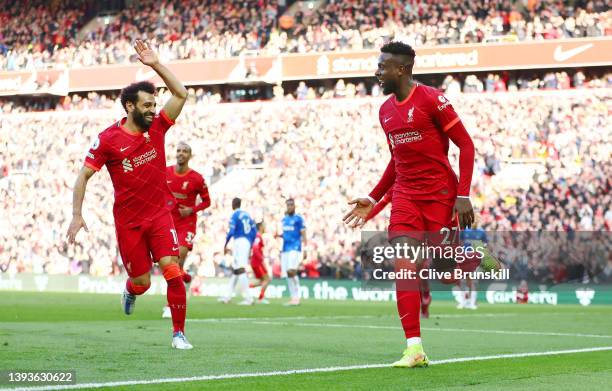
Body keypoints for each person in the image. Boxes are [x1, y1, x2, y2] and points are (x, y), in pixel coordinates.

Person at [343, 41, 500, 367]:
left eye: (383, 66)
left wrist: (462, 195)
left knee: (445, 273)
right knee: (404, 266)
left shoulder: (432, 100)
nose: (377, 71)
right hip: (405, 198)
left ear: (401, 69)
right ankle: (414, 348)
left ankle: (472, 257)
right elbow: (396, 161)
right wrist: (373, 198)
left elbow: (466, 146)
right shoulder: (385, 111)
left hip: (441, 197)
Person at [66, 40, 192, 349]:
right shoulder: (108, 140)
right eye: (147, 105)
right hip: (130, 223)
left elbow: (182, 94)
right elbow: (83, 176)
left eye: (154, 105)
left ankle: (178, 334)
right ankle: (130, 290)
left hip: (160, 215)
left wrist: (156, 65)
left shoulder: (158, 129)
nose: (153, 110)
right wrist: (77, 215)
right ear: (130, 106)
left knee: (173, 271)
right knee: (143, 282)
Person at [162, 141, 211, 318]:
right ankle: (187, 279)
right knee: (169, 263)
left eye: (185, 151)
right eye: (179, 150)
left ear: (190, 155)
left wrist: (192, 210)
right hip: (168, 221)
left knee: (178, 259)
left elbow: (207, 201)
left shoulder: (197, 178)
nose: (181, 153)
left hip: (186, 223)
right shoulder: (166, 172)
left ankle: (170, 305)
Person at [365, 189, 431, 318]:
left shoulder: (425, 183)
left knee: (420, 270)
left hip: (423, 232)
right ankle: (416, 304)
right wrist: (365, 217)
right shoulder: (396, 186)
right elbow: (381, 203)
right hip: (403, 232)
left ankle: (425, 296)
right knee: (408, 270)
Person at [220, 198, 257, 305]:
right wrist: (250, 243)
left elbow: (231, 231)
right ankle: (227, 296)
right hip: (247, 241)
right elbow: (254, 231)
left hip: (239, 241)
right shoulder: (247, 215)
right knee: (236, 269)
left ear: (233, 205)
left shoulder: (235, 215)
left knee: (240, 269)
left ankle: (249, 298)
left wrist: (226, 244)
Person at [279, 198, 306, 306]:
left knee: (291, 270)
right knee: (287, 273)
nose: (289, 207)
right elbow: (286, 234)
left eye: (291, 205)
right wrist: (279, 236)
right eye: (288, 205)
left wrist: (306, 249)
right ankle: (293, 298)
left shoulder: (298, 219)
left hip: (295, 248)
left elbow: (303, 234)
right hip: (285, 248)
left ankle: (297, 296)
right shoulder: (284, 219)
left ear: (294, 206)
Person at [250, 222, 271, 304]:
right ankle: (260, 298)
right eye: (264, 226)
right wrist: (261, 259)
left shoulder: (257, 236)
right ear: (261, 227)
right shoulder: (258, 236)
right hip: (257, 262)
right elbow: (255, 249)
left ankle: (246, 288)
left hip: (255, 262)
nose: (265, 227)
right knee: (267, 279)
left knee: (262, 280)